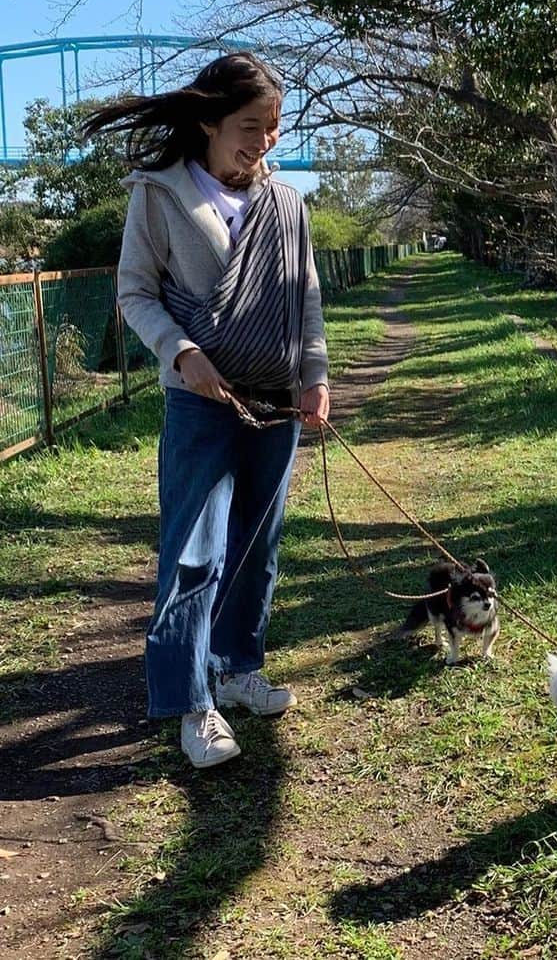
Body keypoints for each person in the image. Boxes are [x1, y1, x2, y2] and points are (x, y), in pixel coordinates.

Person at [85, 52, 330, 768]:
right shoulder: (158, 196)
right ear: (207, 121)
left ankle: (238, 667)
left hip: (276, 399)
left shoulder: (286, 202)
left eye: (275, 129)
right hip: (200, 401)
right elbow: (135, 294)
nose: (264, 142)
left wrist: (315, 373)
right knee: (194, 550)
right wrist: (180, 350)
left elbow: (306, 296)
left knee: (259, 542)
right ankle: (194, 703)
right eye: (251, 126)